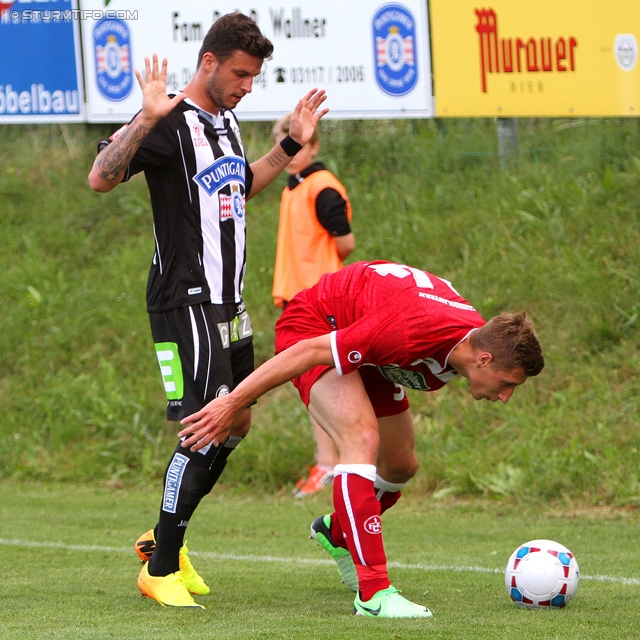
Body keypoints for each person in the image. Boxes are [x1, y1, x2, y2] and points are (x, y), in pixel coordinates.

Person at [88, 12, 328, 609]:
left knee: (237, 419)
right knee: (206, 424)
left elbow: (239, 186)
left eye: (254, 77)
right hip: (184, 299)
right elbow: (100, 176)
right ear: (209, 63)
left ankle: (159, 541)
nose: (248, 85)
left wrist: (291, 145)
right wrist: (145, 115)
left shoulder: (226, 121)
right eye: (241, 74)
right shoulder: (169, 122)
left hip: (229, 302)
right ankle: (161, 566)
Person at [177, 260, 545, 619]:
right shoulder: (412, 332)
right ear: (484, 359)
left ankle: (337, 532)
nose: (505, 396)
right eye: (507, 383)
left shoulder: (461, 342)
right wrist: (233, 402)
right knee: (361, 437)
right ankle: (374, 594)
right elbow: (310, 351)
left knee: (401, 465)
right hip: (315, 327)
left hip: (372, 352)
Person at [271, 112, 355, 497]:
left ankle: (332, 465)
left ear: (315, 145)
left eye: (298, 143)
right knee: (315, 388)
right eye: (283, 141)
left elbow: (345, 244)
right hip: (297, 301)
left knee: (322, 386)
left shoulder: (321, 186)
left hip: (318, 301)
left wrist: (318, 283)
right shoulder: (292, 187)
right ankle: (331, 464)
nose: (289, 151)